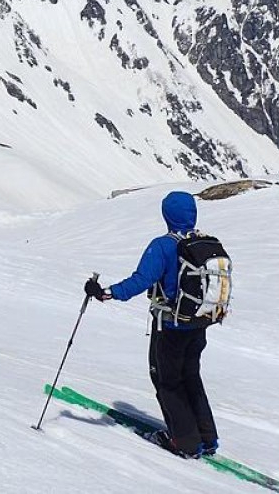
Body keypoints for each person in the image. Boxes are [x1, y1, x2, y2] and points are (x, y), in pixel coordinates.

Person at [83, 191, 219, 459]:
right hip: (199, 324)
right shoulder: (205, 243)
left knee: (167, 381)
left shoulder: (163, 246)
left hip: (170, 325)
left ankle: (185, 443)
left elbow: (141, 280)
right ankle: (207, 437)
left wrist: (105, 292)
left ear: (166, 215)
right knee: (190, 377)